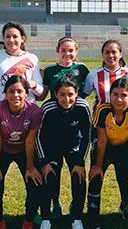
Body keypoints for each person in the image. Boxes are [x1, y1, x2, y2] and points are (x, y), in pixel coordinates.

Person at [0, 76, 46, 229]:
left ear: (27, 93)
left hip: (24, 150)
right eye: (11, 91)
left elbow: (30, 140)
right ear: (5, 93)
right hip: (2, 149)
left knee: (35, 181)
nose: (15, 95)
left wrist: (30, 167)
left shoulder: (34, 111)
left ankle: (28, 221)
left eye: (20, 91)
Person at [38, 36, 90, 218]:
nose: (67, 53)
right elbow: (42, 94)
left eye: (71, 50)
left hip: (73, 120)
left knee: (76, 171)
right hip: (54, 119)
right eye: (63, 50)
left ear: (76, 52)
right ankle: (55, 204)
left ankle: (76, 211)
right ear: (57, 51)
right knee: (53, 170)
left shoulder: (82, 69)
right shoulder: (51, 70)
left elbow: (91, 88)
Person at [87, 77, 128, 229]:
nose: (119, 99)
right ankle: (93, 218)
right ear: (110, 95)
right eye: (115, 94)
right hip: (105, 150)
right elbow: (102, 140)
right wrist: (98, 165)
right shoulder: (103, 110)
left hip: (125, 150)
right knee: (95, 179)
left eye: (124, 95)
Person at [36, 75, 92, 229]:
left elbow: (87, 136)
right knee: (49, 175)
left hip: (73, 147)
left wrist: (80, 161)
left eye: (70, 94)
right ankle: (46, 218)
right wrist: (44, 161)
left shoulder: (82, 106)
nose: (66, 99)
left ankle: (77, 218)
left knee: (79, 176)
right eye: (62, 95)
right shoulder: (48, 108)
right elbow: (38, 135)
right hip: (51, 147)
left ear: (77, 93)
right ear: (55, 94)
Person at [0, 21, 45, 102]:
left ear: (22, 38)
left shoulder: (32, 58)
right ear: (3, 39)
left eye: (15, 36)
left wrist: (34, 85)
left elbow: (40, 92)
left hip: (26, 109)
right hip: (2, 109)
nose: (11, 40)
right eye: (8, 36)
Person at [83, 39, 128, 113]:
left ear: (120, 54)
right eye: (107, 52)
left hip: (125, 119)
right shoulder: (93, 75)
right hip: (100, 119)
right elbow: (83, 95)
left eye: (114, 52)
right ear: (103, 54)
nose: (110, 55)